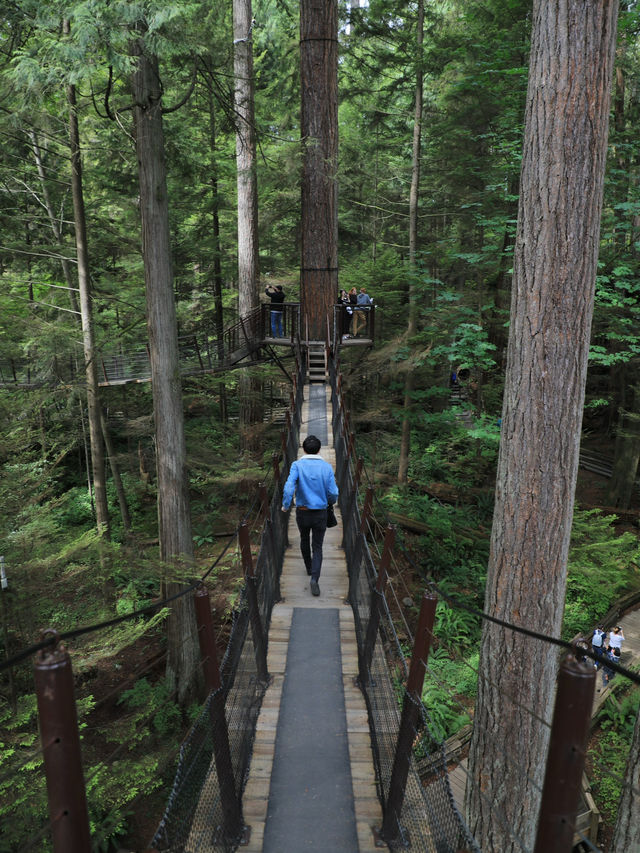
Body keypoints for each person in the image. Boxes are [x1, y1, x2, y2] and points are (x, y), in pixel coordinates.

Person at [281, 435, 339, 597]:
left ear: (303, 449)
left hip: (303, 512)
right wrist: (329, 502)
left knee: (304, 539)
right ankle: (314, 578)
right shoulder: (326, 467)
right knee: (318, 547)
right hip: (320, 513)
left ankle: (308, 566)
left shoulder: (297, 465)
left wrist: (286, 505)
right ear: (319, 449)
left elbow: (288, 488)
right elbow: (333, 492)